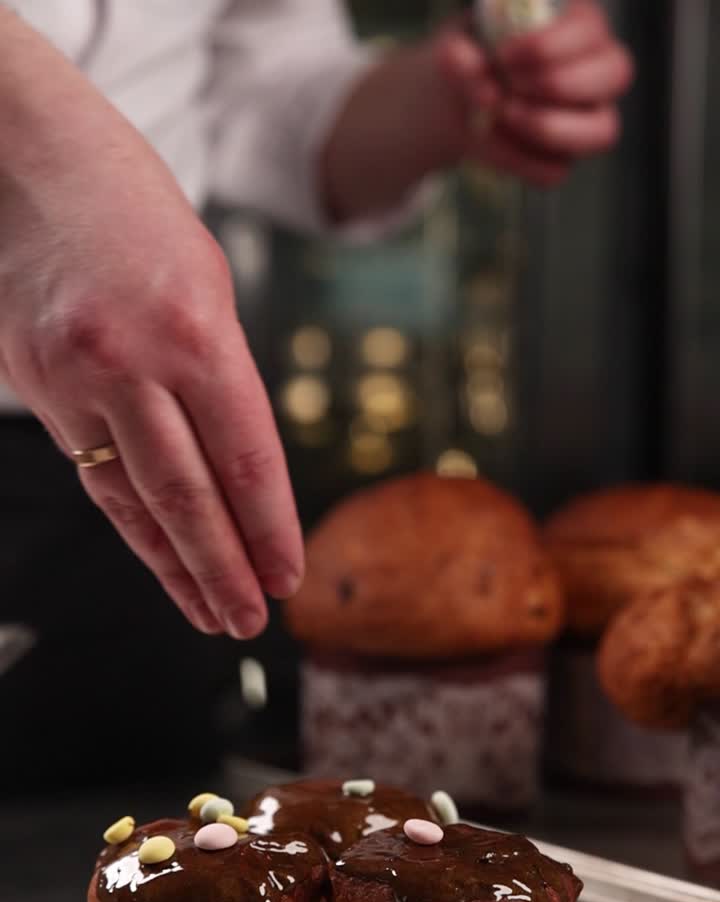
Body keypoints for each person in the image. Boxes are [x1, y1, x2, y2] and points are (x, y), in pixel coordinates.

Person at [0, 1, 632, 788]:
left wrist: (442, 99)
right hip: (100, 413)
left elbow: (260, 79)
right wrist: (35, 147)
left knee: (128, 864)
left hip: (122, 473)